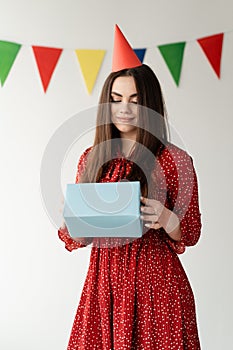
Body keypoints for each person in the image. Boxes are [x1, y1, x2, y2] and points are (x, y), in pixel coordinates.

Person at [58, 25, 202, 350]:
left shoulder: (174, 160)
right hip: (104, 288)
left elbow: (190, 232)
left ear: (149, 104)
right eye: (116, 99)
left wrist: (166, 218)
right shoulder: (91, 159)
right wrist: (75, 224)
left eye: (135, 100)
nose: (124, 108)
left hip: (157, 288)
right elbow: (73, 236)